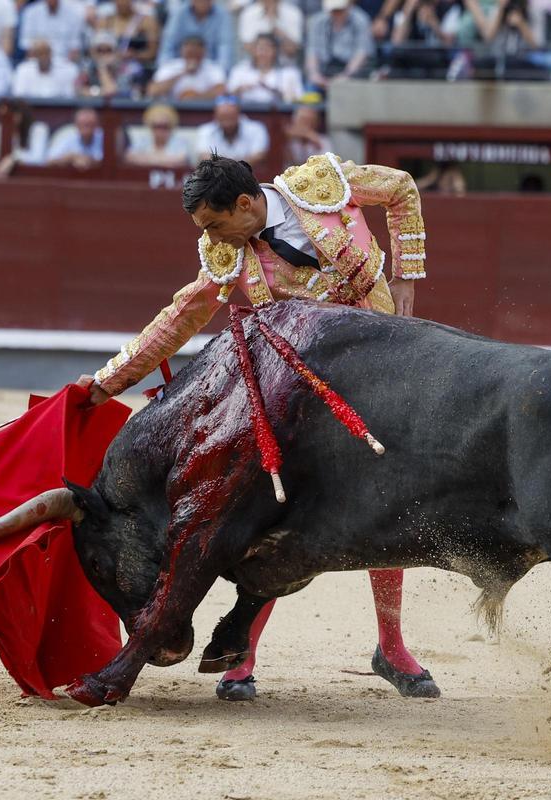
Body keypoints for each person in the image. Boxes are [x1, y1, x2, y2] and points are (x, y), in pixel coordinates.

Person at [76, 154, 436, 703]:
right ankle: (243, 656)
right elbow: (182, 314)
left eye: (215, 223)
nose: (212, 237)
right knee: (267, 504)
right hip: (298, 388)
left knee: (386, 497)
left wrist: (407, 275)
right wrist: (107, 381)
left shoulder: (324, 187)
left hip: (378, 365)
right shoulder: (227, 251)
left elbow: (403, 189)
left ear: (245, 203)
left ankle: (391, 645)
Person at [306, 0, 376, 89]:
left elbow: (362, 52)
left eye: (340, 10)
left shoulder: (360, 20)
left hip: (353, 74)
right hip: (324, 72)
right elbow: (312, 50)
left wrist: (346, 75)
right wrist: (314, 74)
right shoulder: (318, 20)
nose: (337, 14)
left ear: (348, 6)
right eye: (334, 10)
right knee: (309, 89)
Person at [227, 33, 306, 103]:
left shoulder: (290, 72)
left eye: (267, 48)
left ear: (275, 51)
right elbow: (227, 97)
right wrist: (240, 90)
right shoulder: (239, 70)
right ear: (253, 50)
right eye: (260, 48)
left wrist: (276, 92)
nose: (263, 52)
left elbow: (298, 100)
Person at [160, 0, 236, 71]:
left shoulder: (223, 15)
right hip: (181, 67)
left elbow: (225, 49)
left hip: (211, 69)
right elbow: (168, 46)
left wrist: (219, 76)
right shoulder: (179, 13)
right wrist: (165, 72)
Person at [192, 97, 270, 166]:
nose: (227, 122)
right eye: (223, 117)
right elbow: (204, 156)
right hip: (215, 178)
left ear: (238, 114)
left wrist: (225, 165)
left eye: (230, 117)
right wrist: (235, 165)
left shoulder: (256, 129)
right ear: (215, 116)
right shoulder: (205, 130)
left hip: (250, 177)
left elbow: (259, 156)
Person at [147, 35, 228, 100]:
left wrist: (195, 98)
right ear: (182, 51)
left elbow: (222, 91)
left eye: (196, 54)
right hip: (171, 109)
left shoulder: (213, 68)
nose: (193, 57)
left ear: (204, 52)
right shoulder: (170, 66)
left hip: (205, 109)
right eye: (190, 53)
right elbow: (153, 91)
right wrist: (183, 73)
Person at [92, 0, 161, 76]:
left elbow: (153, 52)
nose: (121, 3)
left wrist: (135, 55)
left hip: (136, 71)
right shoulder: (105, 22)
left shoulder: (147, 21)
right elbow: (94, 50)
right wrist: (108, 58)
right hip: (108, 69)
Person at [0, 100, 51, 177]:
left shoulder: (39, 128)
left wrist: (13, 158)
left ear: (19, 115)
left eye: (12, 115)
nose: (11, 119)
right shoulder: (14, 133)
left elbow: (38, 159)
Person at [124, 103, 192, 167]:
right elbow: (129, 157)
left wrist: (147, 159)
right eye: (156, 126)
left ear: (172, 126)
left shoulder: (180, 142)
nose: (160, 131)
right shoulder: (142, 140)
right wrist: (164, 160)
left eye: (165, 126)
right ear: (150, 126)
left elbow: (181, 160)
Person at [19, 0, 87, 61]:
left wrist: (61, 68)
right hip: (37, 63)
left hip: (64, 65)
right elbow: (28, 48)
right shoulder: (31, 12)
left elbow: (74, 49)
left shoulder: (73, 14)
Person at [12, 38, 80, 98]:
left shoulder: (67, 69)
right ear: (33, 55)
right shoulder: (23, 70)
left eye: (46, 52)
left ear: (51, 53)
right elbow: (19, 97)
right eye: (39, 53)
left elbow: (70, 97)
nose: (43, 56)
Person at [238, 0, 305, 60]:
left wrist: (274, 25)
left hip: (285, 66)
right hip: (253, 67)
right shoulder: (248, 13)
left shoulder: (293, 13)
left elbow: (293, 50)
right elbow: (247, 47)